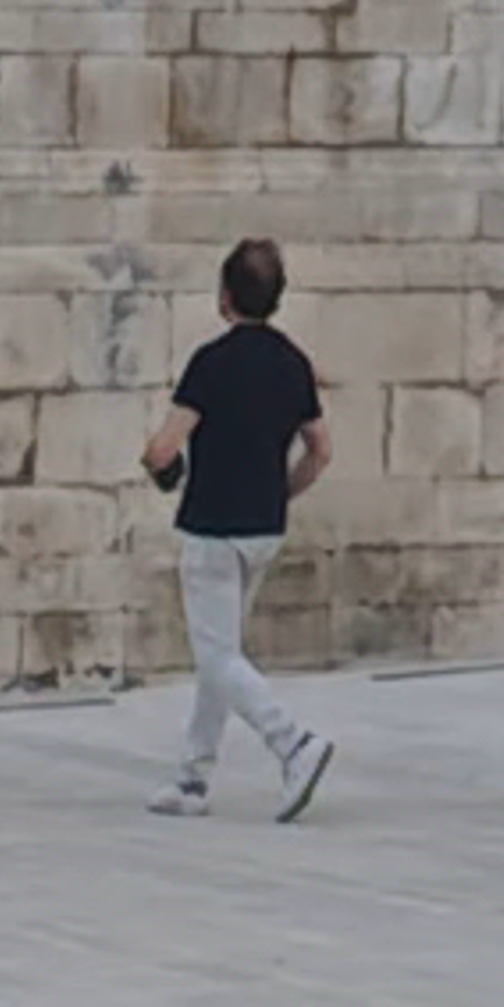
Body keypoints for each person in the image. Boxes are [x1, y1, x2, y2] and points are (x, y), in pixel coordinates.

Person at [142, 236, 335, 819]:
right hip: (263, 527)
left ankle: (293, 743)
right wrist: (282, 491)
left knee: (216, 656)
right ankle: (193, 778)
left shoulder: (211, 363)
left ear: (226, 296)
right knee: (221, 652)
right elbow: (320, 450)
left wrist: (166, 470)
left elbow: (162, 448)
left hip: (213, 526)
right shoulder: (293, 362)